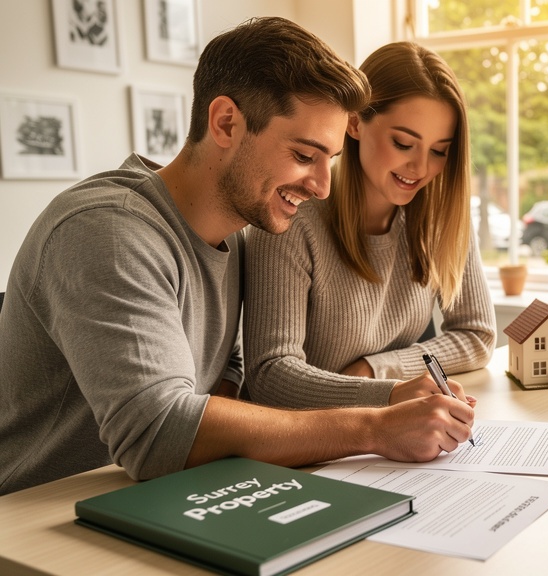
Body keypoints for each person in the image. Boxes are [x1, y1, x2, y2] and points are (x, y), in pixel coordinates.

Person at [0, 18, 474, 496]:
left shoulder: (237, 235)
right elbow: (158, 430)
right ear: (226, 122)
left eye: (328, 161)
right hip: (37, 519)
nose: (322, 187)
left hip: (162, 497)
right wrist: (374, 427)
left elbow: (234, 372)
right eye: (304, 155)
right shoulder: (106, 232)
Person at [242, 41, 495, 410]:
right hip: (300, 440)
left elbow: (477, 335)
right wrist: (387, 392)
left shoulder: (440, 217)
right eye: (404, 143)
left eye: (439, 150)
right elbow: (269, 375)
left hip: (383, 433)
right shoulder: (293, 217)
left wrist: (374, 370)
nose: (421, 168)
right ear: (355, 122)